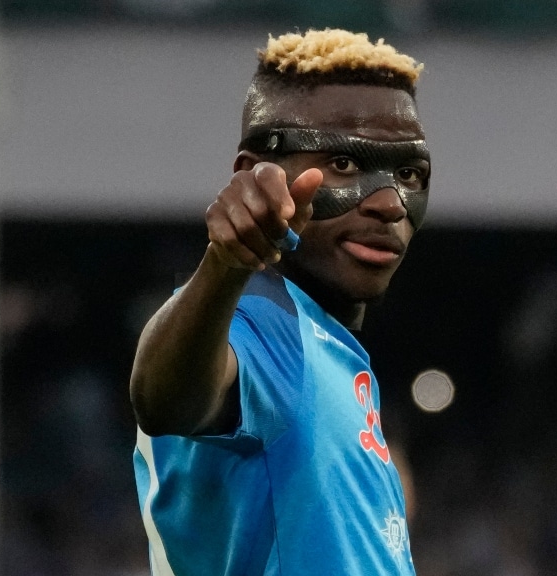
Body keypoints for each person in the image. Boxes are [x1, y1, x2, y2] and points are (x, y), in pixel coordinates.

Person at [130, 28, 431, 575]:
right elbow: (165, 399)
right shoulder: (260, 318)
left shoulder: (327, 345)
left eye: (409, 173)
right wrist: (226, 263)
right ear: (254, 173)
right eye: (344, 165)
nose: (390, 203)